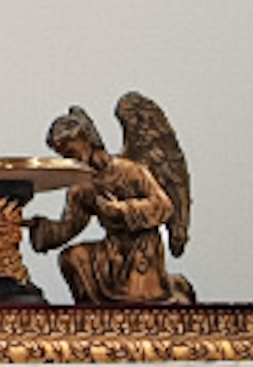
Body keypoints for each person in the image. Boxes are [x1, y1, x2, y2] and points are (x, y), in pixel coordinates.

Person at [27, 107, 189, 304]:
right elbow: (69, 227)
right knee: (72, 258)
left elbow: (164, 206)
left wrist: (123, 210)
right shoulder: (81, 188)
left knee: (136, 293)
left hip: (140, 249)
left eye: (72, 153)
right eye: (65, 157)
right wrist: (38, 227)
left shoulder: (130, 171)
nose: (70, 161)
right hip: (111, 251)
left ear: (88, 140)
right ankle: (92, 316)